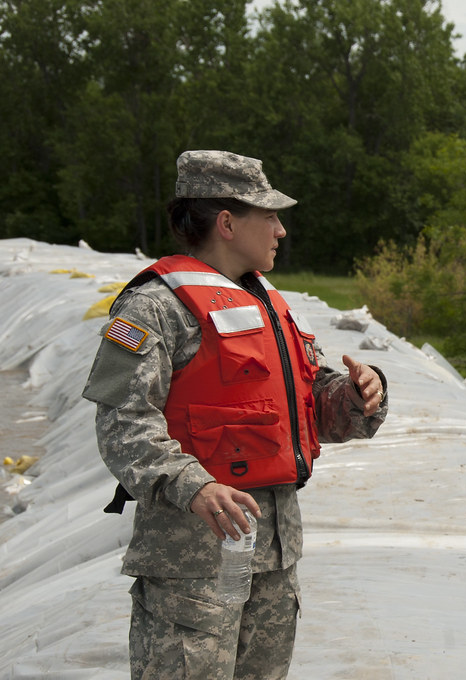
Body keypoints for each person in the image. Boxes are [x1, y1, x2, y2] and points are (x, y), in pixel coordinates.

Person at [82, 150, 388, 680]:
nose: (281, 230)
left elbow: (304, 407)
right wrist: (192, 486)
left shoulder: (271, 302)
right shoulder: (152, 309)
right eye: (268, 215)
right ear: (226, 222)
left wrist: (360, 395)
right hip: (190, 564)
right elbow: (121, 421)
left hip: (272, 557)